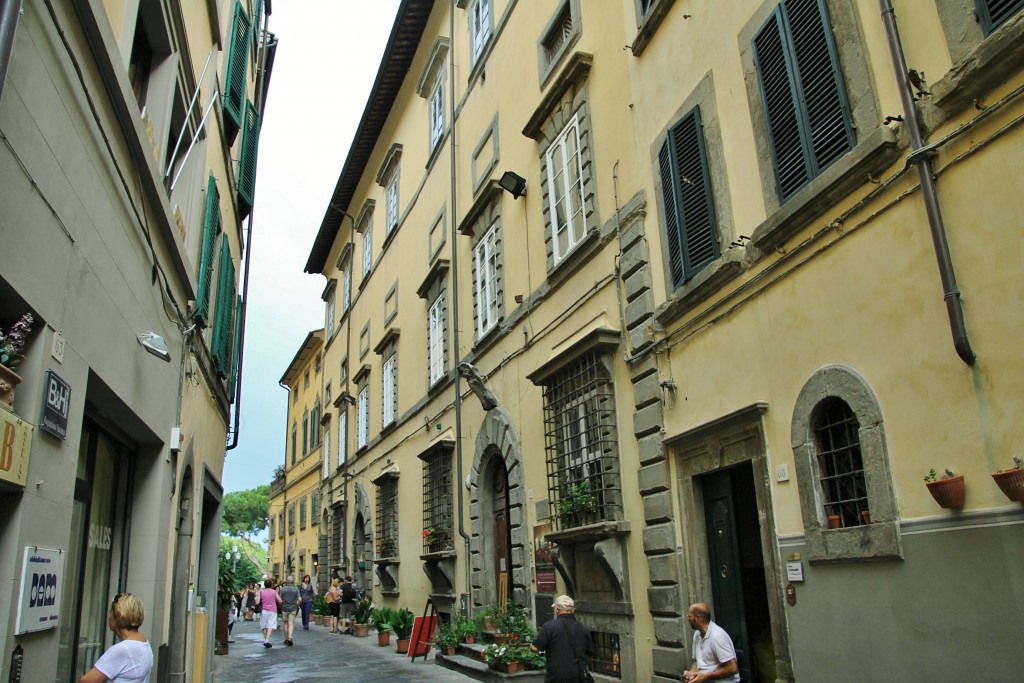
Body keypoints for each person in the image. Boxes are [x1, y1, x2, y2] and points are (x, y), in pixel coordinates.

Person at [79, 592, 153, 683]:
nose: (109, 616)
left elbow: (86, 681)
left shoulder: (123, 650)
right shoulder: (144, 643)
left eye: (111, 612)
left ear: (118, 616)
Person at [531, 595, 592, 683]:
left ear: (557, 610)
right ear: (573, 610)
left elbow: (535, 647)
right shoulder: (583, 628)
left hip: (556, 676)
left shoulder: (549, 627)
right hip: (578, 676)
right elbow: (590, 651)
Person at [682, 603, 739, 683]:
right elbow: (696, 661)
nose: (688, 619)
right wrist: (691, 674)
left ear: (697, 618)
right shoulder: (697, 634)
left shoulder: (717, 636)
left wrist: (706, 676)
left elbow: (732, 668)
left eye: (689, 616)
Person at [259, 578, 283, 648]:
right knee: (270, 625)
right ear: (271, 585)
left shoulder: (262, 592)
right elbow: (280, 601)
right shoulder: (274, 592)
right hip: (272, 610)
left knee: (264, 626)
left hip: (264, 610)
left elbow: (259, 601)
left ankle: (266, 639)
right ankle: (266, 640)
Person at [278, 575, 301, 646]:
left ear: (287, 581)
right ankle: (290, 638)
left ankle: (286, 638)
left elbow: (279, 599)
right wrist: (297, 604)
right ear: (293, 581)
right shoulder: (296, 589)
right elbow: (300, 599)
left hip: (284, 608)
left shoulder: (283, 589)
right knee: (291, 623)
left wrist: (281, 605)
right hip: (293, 608)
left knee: (285, 623)